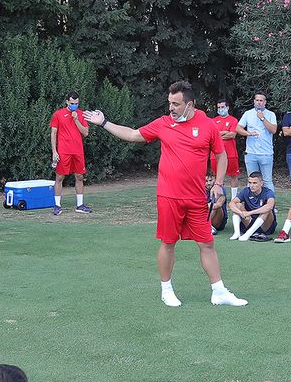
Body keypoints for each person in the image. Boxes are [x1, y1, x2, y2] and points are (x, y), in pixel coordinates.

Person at [86, 81, 248, 307]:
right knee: (168, 242)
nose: (171, 108)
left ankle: (219, 292)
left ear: (190, 104)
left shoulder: (207, 124)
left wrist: (219, 183)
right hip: (169, 196)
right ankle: (167, 290)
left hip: (196, 197)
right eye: (169, 103)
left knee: (207, 243)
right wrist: (104, 122)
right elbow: (133, 134)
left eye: (176, 104)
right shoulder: (163, 123)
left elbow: (220, 155)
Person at [48, 92, 91, 215]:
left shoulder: (81, 114)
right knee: (59, 177)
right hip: (63, 151)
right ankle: (57, 206)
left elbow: (85, 133)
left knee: (79, 176)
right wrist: (54, 151)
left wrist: (76, 120)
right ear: (67, 102)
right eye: (72, 103)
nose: (74, 105)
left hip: (78, 151)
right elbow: (53, 133)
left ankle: (80, 205)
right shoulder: (58, 114)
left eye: (76, 103)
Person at [236, 92, 279, 196]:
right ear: (254, 101)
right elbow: (238, 128)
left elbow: (273, 130)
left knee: (267, 180)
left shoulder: (270, 114)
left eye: (261, 100)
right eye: (257, 100)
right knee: (251, 180)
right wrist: (248, 133)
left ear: (265, 102)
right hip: (251, 153)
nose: (259, 102)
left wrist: (262, 118)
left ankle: (270, 203)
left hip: (266, 153)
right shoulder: (248, 114)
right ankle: (250, 202)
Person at [211, 98, 245, 201]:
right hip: (215, 153)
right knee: (216, 175)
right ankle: (217, 196)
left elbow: (232, 135)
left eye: (222, 107)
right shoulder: (213, 121)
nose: (220, 109)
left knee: (233, 175)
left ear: (227, 107)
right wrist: (225, 132)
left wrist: (218, 135)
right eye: (219, 107)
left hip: (230, 153)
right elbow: (212, 136)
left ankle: (234, 198)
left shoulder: (233, 120)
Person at [226, 172, 277, 241]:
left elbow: (270, 206)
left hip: (265, 226)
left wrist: (250, 213)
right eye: (250, 183)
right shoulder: (246, 191)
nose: (251, 185)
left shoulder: (268, 192)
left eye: (254, 183)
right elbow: (231, 203)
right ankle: (237, 233)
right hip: (249, 222)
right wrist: (240, 213)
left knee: (266, 209)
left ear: (261, 183)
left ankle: (248, 234)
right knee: (238, 205)